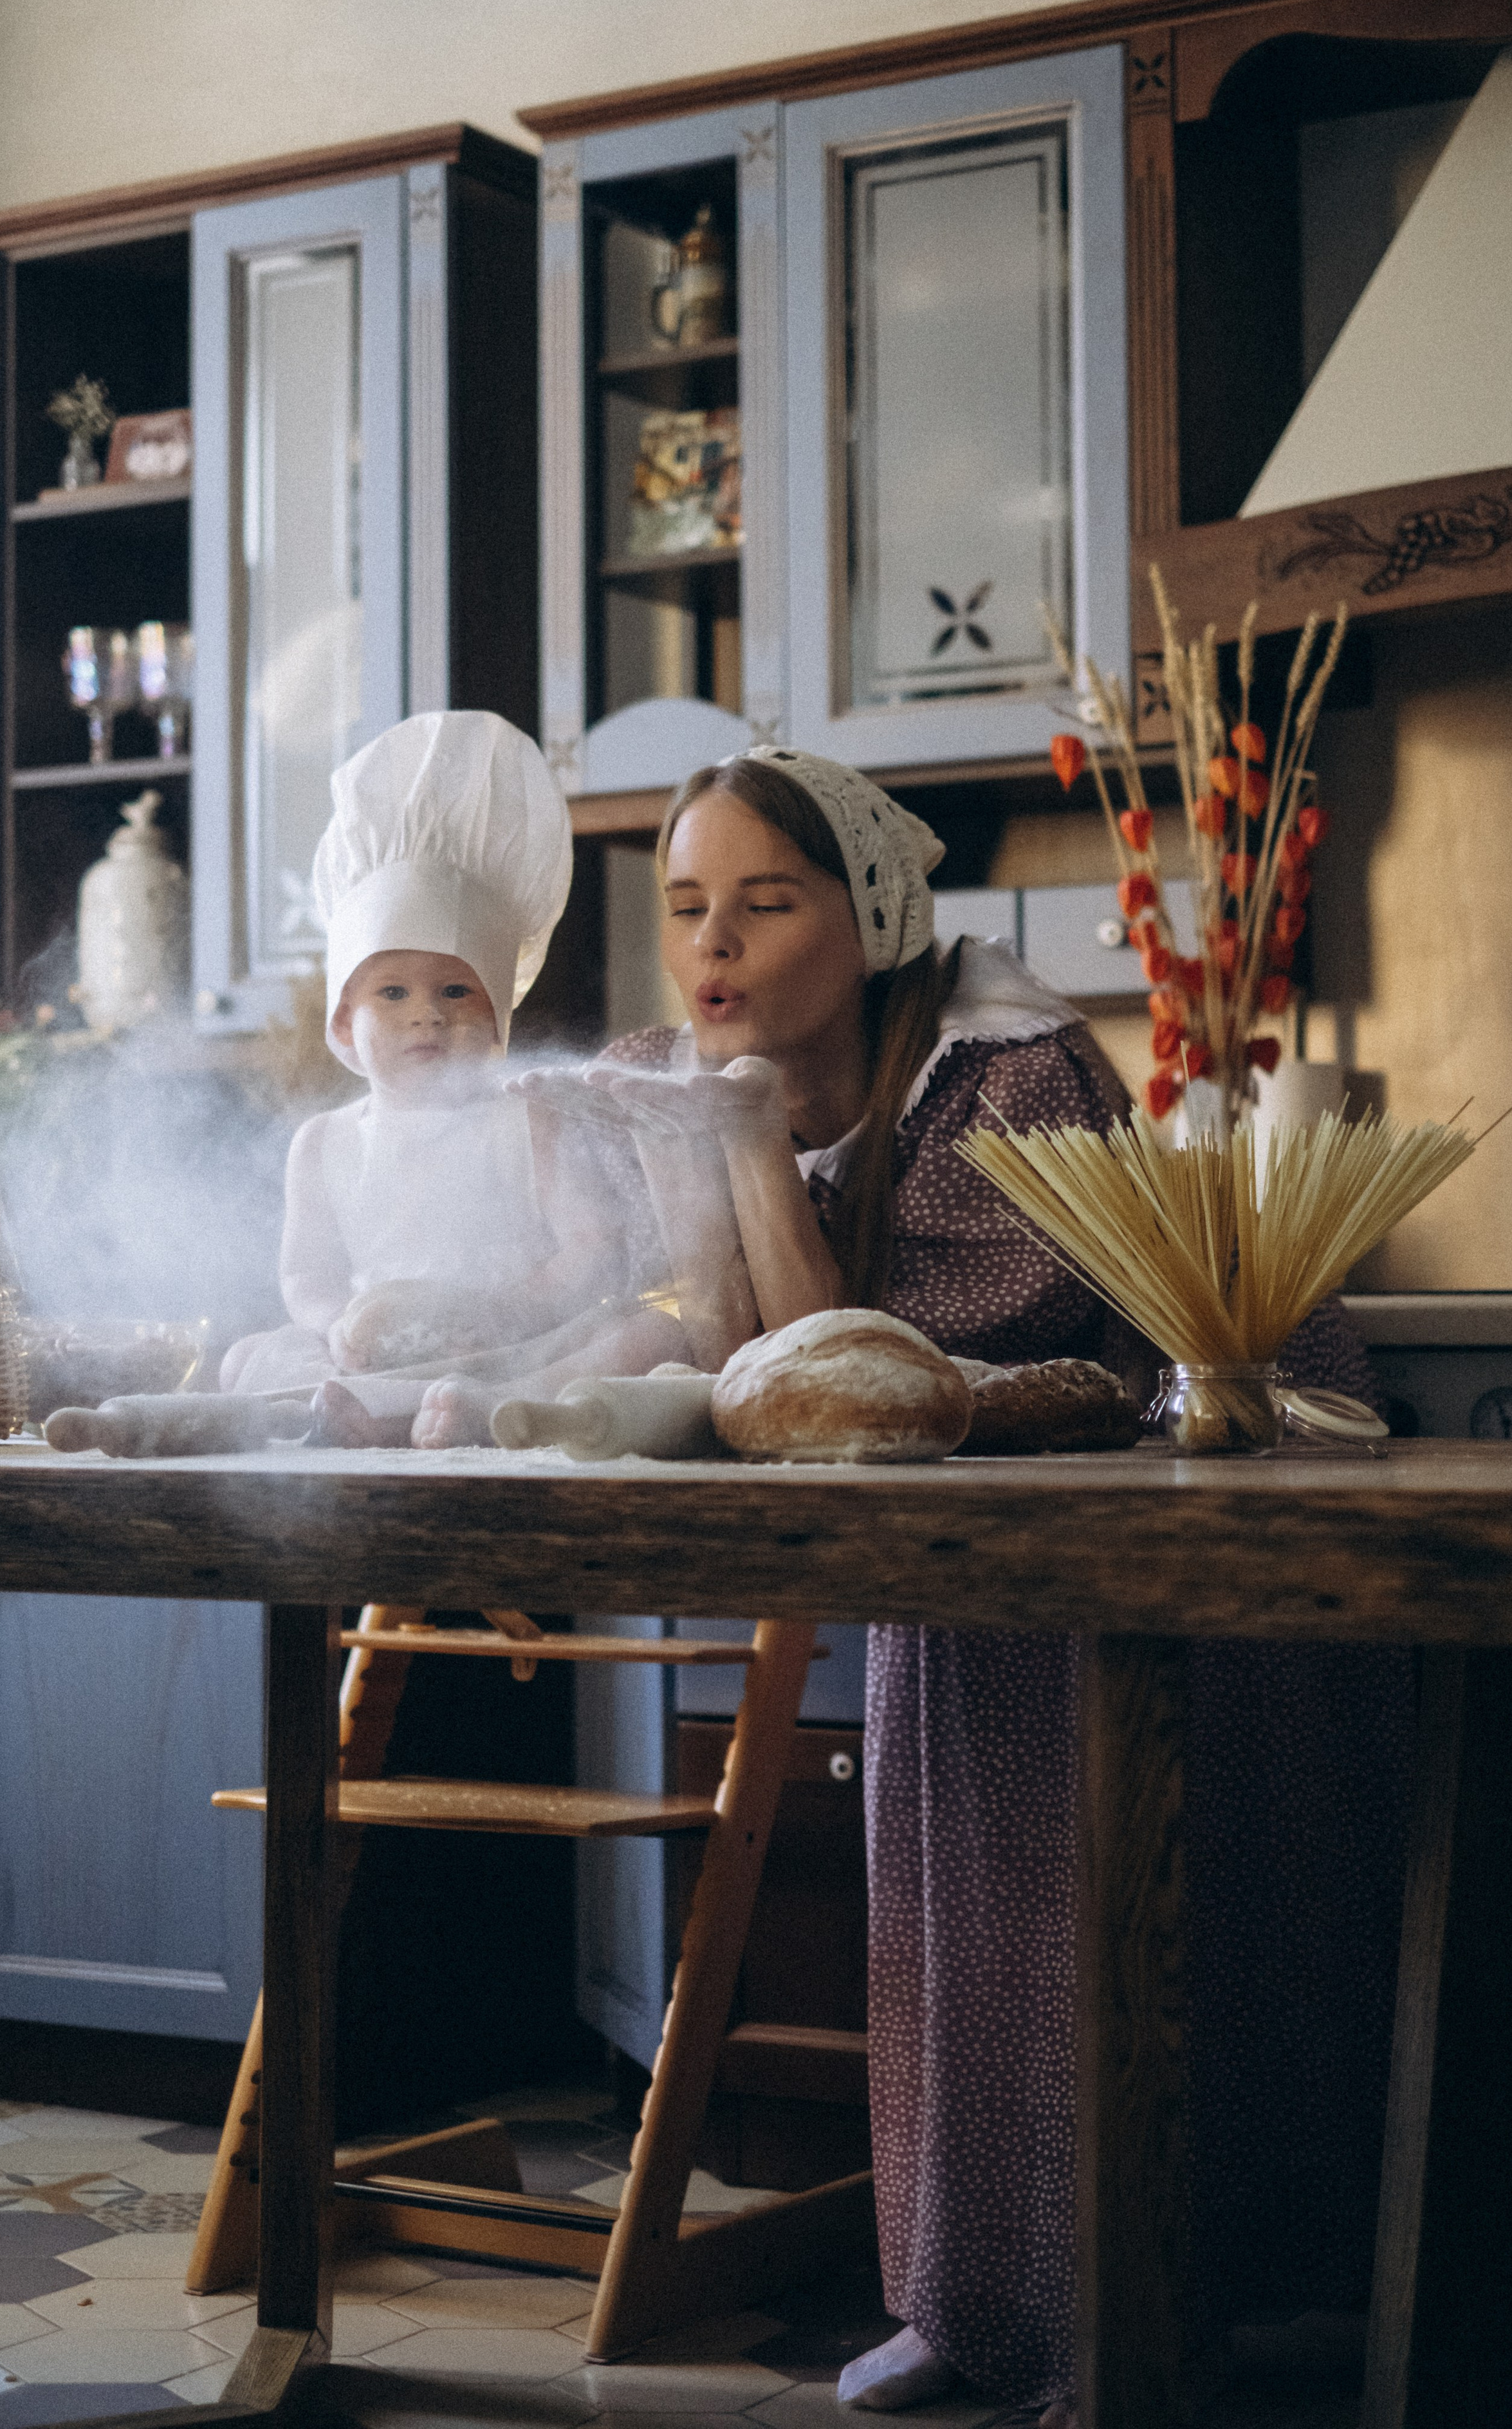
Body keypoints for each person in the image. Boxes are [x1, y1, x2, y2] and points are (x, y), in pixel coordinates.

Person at [574, 746, 1409, 2428]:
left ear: (874, 916)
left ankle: (1156, 2318)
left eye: (765, 899)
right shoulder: (749, 1077)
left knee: (1110, 1916)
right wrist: (708, 1156)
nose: (712, 945)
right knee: (952, 1906)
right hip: (966, 1530)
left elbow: (906, 1367)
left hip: (1190, 1494)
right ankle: (977, 2304)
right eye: (683, 908)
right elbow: (768, 1375)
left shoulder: (1006, 1066)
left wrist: (735, 1149)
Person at [221, 710, 688, 1440]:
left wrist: (508, 1313)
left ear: (499, 1015)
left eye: (455, 992)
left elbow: (593, 1252)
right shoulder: (323, 1142)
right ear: (345, 1023)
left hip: (512, 1348)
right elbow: (306, 1277)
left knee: (654, 1338)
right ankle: (367, 1416)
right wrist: (334, 1325)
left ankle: (498, 1409)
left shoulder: (532, 1115)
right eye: (393, 993)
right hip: (371, 1356)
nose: (427, 1017)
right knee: (247, 1358)